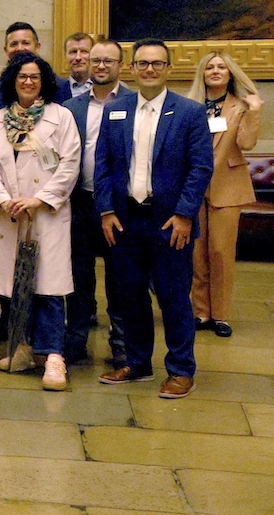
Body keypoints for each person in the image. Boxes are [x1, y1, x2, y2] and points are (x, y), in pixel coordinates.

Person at [95, 38, 215, 400]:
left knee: (173, 296)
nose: (149, 69)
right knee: (130, 295)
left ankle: (180, 370)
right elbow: (103, 164)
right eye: (143, 63)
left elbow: (200, 168)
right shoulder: (115, 110)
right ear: (132, 68)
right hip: (125, 220)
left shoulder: (190, 112)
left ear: (168, 69)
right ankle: (137, 363)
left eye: (157, 63)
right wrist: (106, 210)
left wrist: (185, 215)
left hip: (169, 221)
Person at [0, 51, 81, 390]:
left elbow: (70, 164)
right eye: (22, 76)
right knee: (14, 287)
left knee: (48, 287)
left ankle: (53, 356)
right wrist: (2, 198)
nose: (28, 82)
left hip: (45, 214)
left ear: (44, 81)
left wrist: (40, 199)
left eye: (34, 76)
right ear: (13, 81)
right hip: (9, 215)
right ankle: (23, 347)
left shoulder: (60, 117)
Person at [184, 51, 263, 339]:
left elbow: (247, 143)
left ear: (230, 74)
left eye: (221, 67)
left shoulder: (241, 106)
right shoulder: (189, 106)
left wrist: (254, 111)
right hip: (193, 185)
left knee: (220, 251)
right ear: (202, 74)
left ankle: (221, 314)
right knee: (196, 253)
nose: (215, 71)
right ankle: (201, 311)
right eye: (210, 67)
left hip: (227, 185)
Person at [62, 38, 128, 366]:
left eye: (108, 61)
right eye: (96, 60)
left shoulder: (133, 102)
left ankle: (121, 341)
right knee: (77, 274)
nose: (101, 66)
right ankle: (75, 339)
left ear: (120, 66)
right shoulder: (71, 108)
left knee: (120, 276)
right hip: (80, 202)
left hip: (120, 205)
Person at [61, 32, 95, 100]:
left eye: (84, 51)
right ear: (65, 56)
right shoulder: (56, 91)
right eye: (73, 52)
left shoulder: (106, 88)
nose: (78, 57)